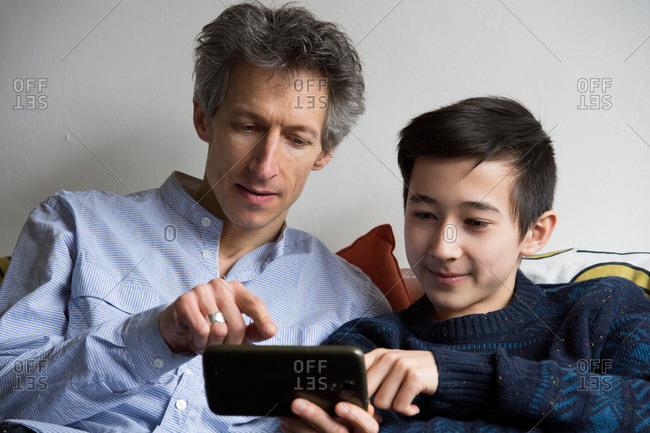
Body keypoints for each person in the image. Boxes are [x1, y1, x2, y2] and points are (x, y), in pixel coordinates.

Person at [0, 2, 390, 432]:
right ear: (204, 119)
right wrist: (154, 336)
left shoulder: (354, 303)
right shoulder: (73, 224)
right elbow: (5, 396)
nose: (264, 167)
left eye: (297, 139)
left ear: (325, 152)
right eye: (247, 126)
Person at [282, 97, 650, 432]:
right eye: (424, 215)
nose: (443, 248)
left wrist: (467, 377)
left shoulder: (602, 309)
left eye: (475, 222)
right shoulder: (367, 347)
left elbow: (639, 409)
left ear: (534, 233)